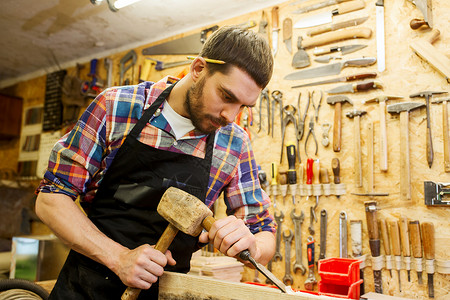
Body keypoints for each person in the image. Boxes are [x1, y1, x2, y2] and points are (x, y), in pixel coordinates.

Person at [35, 25, 276, 299]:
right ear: (198, 69)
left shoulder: (234, 143)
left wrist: (252, 245)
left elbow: (264, 232)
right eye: (227, 96)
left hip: (167, 294)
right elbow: (51, 199)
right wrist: (119, 258)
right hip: (85, 289)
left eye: (244, 106)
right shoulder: (116, 107)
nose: (231, 116)